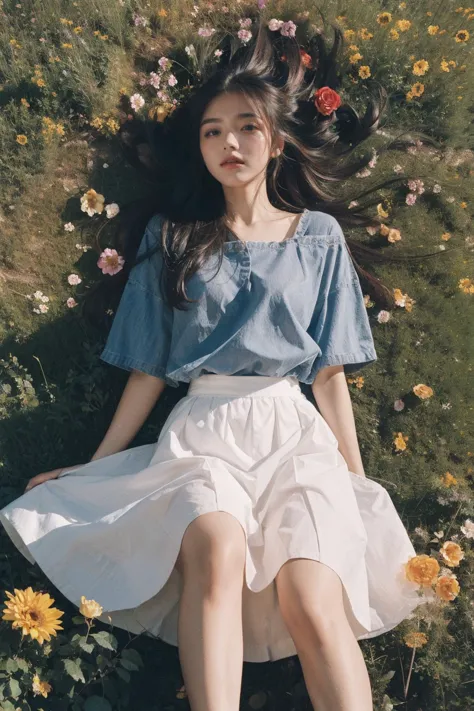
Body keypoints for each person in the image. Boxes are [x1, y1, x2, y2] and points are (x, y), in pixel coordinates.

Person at [1, 19, 445, 711]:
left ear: (275, 138)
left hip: (293, 432)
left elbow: (328, 372)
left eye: (245, 127)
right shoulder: (172, 237)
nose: (229, 143)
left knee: (310, 587)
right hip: (204, 431)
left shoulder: (318, 239)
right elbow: (147, 367)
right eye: (212, 130)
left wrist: (355, 481)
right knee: (216, 548)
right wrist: (93, 464)